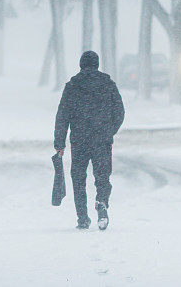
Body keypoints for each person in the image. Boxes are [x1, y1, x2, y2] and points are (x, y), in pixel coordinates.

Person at [54, 50, 125, 230]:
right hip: (102, 140)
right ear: (97, 64)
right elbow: (120, 112)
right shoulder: (108, 84)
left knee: (78, 178)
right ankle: (102, 203)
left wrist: (60, 143)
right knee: (102, 176)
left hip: (79, 140)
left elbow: (62, 116)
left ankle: (83, 218)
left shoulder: (73, 86)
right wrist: (109, 131)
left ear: (81, 64)